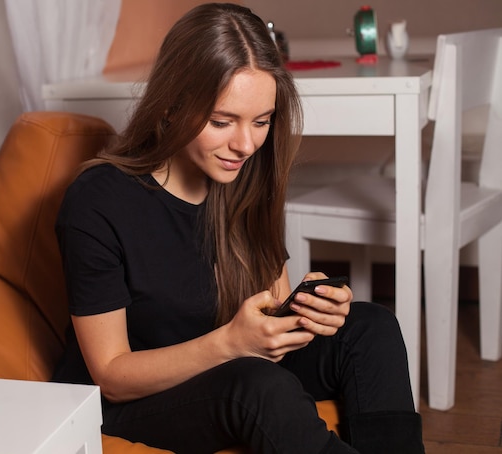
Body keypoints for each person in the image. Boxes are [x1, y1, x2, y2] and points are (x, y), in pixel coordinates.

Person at [53, 3, 425, 453]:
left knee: (372, 327)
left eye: (261, 121)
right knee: (258, 384)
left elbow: (271, 309)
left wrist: (310, 311)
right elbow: (111, 376)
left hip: (233, 365)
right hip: (135, 398)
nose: (245, 144)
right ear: (171, 105)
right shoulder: (98, 201)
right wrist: (231, 342)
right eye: (221, 121)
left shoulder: (246, 176)